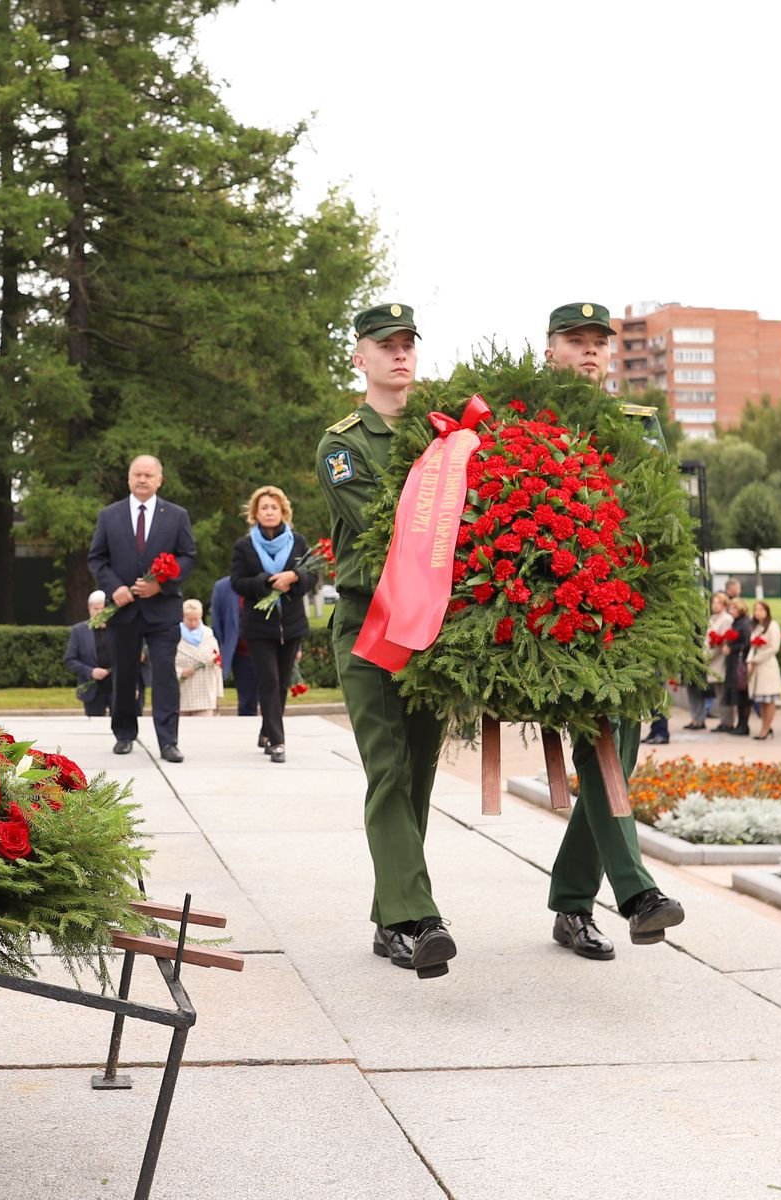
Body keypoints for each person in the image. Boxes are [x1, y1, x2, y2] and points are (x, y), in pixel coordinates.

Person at [539, 302, 684, 962]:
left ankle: (572, 904)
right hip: (553, 619)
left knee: (617, 753)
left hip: (627, 618)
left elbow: (667, 528)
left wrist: (674, 626)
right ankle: (636, 893)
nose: (591, 350)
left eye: (600, 341)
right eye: (576, 340)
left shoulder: (639, 425)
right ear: (550, 351)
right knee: (601, 748)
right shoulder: (524, 422)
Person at [319, 302, 454, 978]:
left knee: (420, 773)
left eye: (407, 344)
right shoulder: (343, 443)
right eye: (385, 345)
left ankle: (391, 914)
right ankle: (417, 919)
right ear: (360, 358)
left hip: (427, 625)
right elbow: (388, 526)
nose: (400, 355)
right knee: (389, 768)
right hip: (371, 621)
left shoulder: (444, 434)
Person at [88, 455, 197, 761]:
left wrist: (161, 584)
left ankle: (168, 741)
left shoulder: (176, 515)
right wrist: (115, 588)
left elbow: (188, 556)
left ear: (159, 479)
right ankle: (124, 734)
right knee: (124, 674)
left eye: (149, 475)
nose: (142, 479)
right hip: (123, 611)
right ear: (128, 478)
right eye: (137, 474)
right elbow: (97, 558)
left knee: (164, 673)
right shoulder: (109, 515)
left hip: (162, 610)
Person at [229, 485, 317, 763]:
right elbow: (237, 583)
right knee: (269, 681)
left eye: (274, 507)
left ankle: (267, 730)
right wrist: (267, 582)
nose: (269, 512)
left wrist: (293, 577)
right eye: (264, 507)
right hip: (259, 628)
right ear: (255, 513)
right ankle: (277, 742)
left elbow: (312, 577)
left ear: (283, 512)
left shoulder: (299, 542)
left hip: (291, 626)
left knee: (281, 685)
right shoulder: (244, 546)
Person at [208, 575, 258, 720]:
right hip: (242, 654)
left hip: (267, 650)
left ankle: (272, 733)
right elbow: (217, 622)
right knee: (246, 701)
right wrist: (218, 650)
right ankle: (248, 732)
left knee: (273, 697)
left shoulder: (269, 579)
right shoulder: (223, 587)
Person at [66, 591, 115, 717]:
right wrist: (90, 671)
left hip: (116, 685)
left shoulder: (118, 629)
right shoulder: (79, 631)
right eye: (96, 609)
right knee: (95, 726)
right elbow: (70, 659)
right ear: (89, 609)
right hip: (93, 688)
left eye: (103, 608)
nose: (99, 612)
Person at [174, 599, 223, 717]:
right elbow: (165, 662)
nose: (193, 623)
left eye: (196, 619)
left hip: (206, 692)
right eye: (189, 620)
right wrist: (180, 672)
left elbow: (217, 664)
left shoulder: (208, 634)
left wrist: (218, 693)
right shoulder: (175, 634)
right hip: (182, 692)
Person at [682, 593, 723, 731]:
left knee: (698, 690)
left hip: (699, 659)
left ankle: (700, 719)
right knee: (690, 690)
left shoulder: (702, 621)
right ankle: (695, 718)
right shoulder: (685, 620)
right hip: (688, 659)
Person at [747, 600, 781, 740]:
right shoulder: (757, 627)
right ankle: (764, 726)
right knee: (761, 700)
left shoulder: (772, 626)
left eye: (761, 610)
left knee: (769, 699)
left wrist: (756, 659)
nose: (758, 612)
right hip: (756, 668)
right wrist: (750, 660)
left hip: (767, 666)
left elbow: (774, 647)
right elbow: (752, 647)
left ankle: (766, 728)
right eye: (756, 610)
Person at [723, 596, 754, 737]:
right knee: (738, 695)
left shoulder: (745, 623)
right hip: (733, 663)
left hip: (740, 663)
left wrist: (732, 648)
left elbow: (747, 643)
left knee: (743, 695)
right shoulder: (736, 622)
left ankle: (744, 724)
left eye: (734, 608)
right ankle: (740, 724)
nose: (731, 610)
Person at [705, 592, 735, 731]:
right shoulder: (712, 618)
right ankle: (723, 720)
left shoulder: (726, 619)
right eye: (714, 602)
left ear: (724, 604)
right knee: (718, 693)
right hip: (711, 659)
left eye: (718, 603)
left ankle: (728, 722)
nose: (715, 605)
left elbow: (722, 641)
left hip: (720, 660)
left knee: (724, 693)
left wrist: (707, 656)